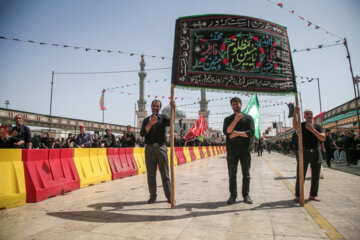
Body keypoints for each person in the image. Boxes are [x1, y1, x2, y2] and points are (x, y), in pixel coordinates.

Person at [140, 99, 174, 204]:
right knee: (151, 174)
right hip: (149, 148)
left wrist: (173, 108)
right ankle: (153, 196)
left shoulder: (163, 118)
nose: (155, 108)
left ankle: (169, 196)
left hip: (161, 148)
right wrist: (150, 124)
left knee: (165, 174)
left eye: (157, 106)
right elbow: (142, 134)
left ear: (160, 108)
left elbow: (171, 122)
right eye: (154, 106)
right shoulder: (146, 120)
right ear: (151, 107)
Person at [223, 97, 255, 205]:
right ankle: (233, 195)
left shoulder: (248, 118)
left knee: (246, 174)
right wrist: (235, 120)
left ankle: (246, 195)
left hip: (245, 151)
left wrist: (236, 133)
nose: (235, 106)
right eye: (233, 104)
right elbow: (227, 131)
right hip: (232, 151)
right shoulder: (228, 119)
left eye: (237, 104)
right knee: (232, 175)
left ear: (241, 105)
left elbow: (250, 132)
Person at [293, 108, 325, 202]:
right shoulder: (302, 125)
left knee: (316, 175)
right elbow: (295, 126)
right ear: (304, 116)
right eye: (307, 114)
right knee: (301, 174)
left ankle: (313, 195)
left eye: (311, 114)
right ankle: (298, 195)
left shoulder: (317, 127)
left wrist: (313, 130)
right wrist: (295, 114)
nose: (310, 116)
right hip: (304, 152)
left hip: (316, 152)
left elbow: (323, 138)